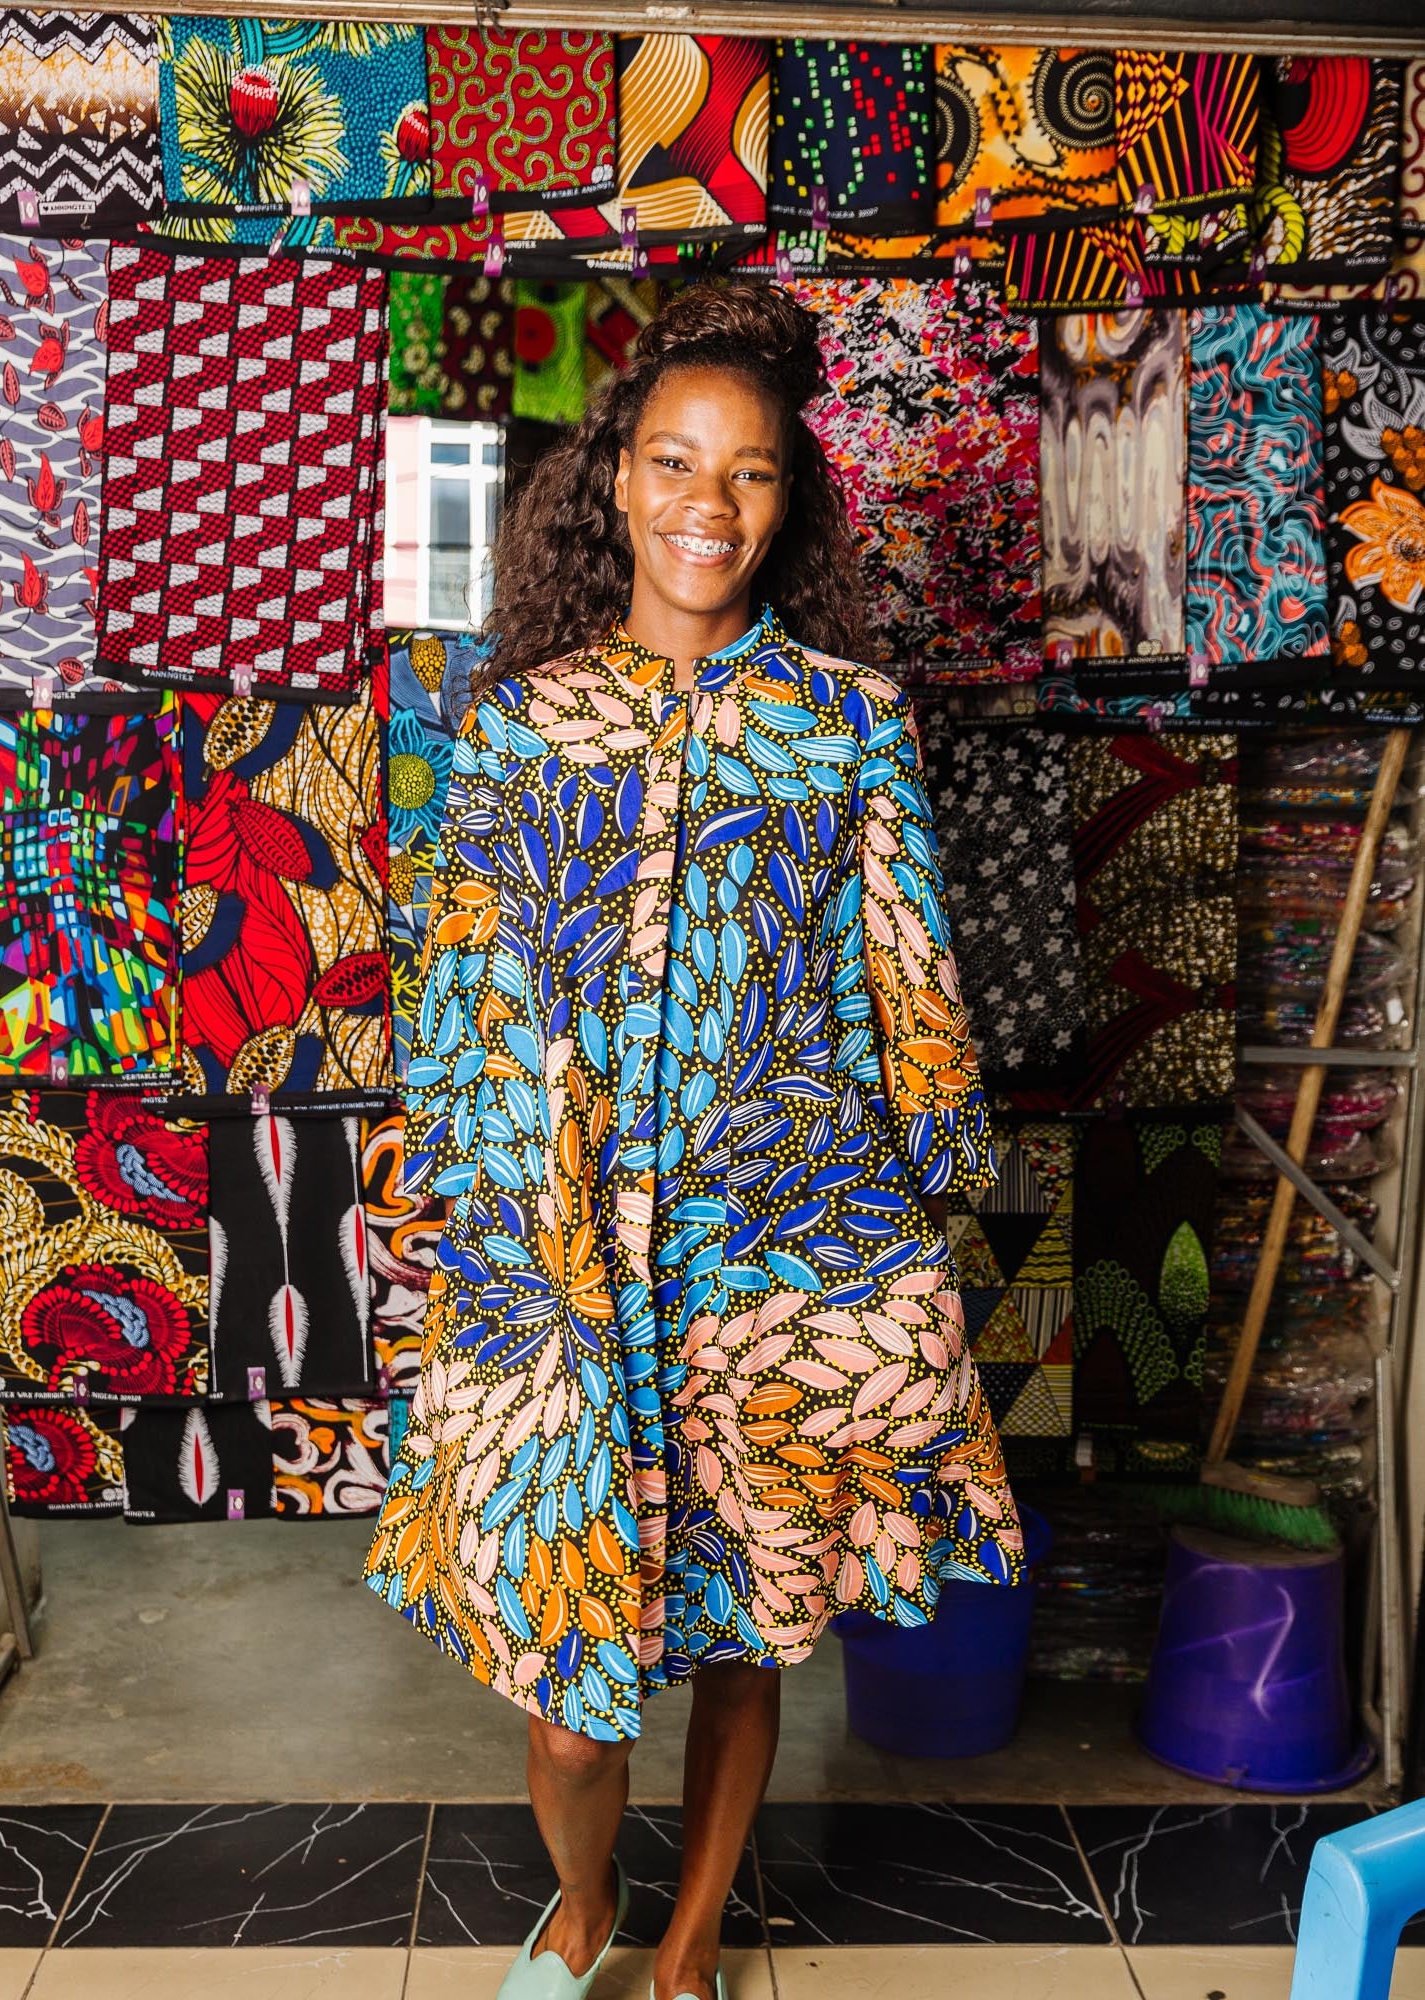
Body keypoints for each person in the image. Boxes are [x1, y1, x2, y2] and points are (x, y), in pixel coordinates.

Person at [364, 282, 1023, 2000]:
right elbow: (459, 994)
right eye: (672, 461)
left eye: (745, 474)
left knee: (748, 1632)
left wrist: (927, 1231)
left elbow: (911, 982)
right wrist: (470, 1249)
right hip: (570, 1263)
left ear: (786, 499)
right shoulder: (516, 723)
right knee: (575, 1708)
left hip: (779, 1253)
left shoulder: (851, 719)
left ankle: (684, 1946)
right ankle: (578, 1911)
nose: (705, 505)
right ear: (619, 481)